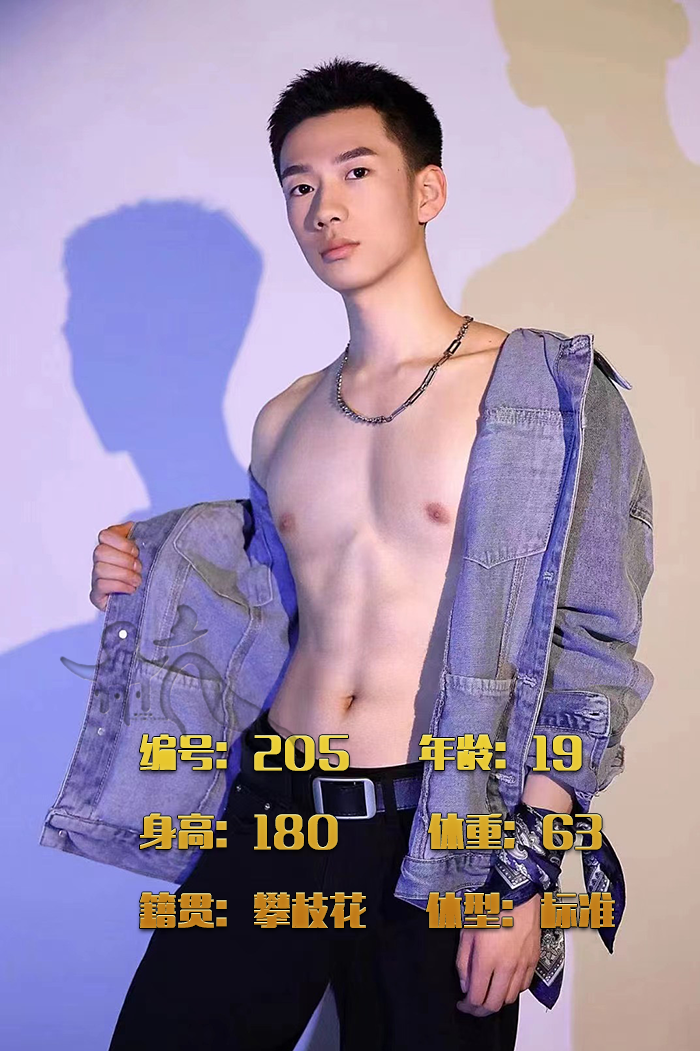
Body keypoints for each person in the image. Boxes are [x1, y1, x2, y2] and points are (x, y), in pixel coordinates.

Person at [85, 58, 653, 1051]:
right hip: (278, 810)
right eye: (299, 186)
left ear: (426, 190)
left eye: (355, 172)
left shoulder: (549, 394)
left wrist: (521, 875)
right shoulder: (283, 418)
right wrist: (151, 563)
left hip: (443, 830)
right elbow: (269, 604)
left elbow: (593, 649)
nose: (324, 208)